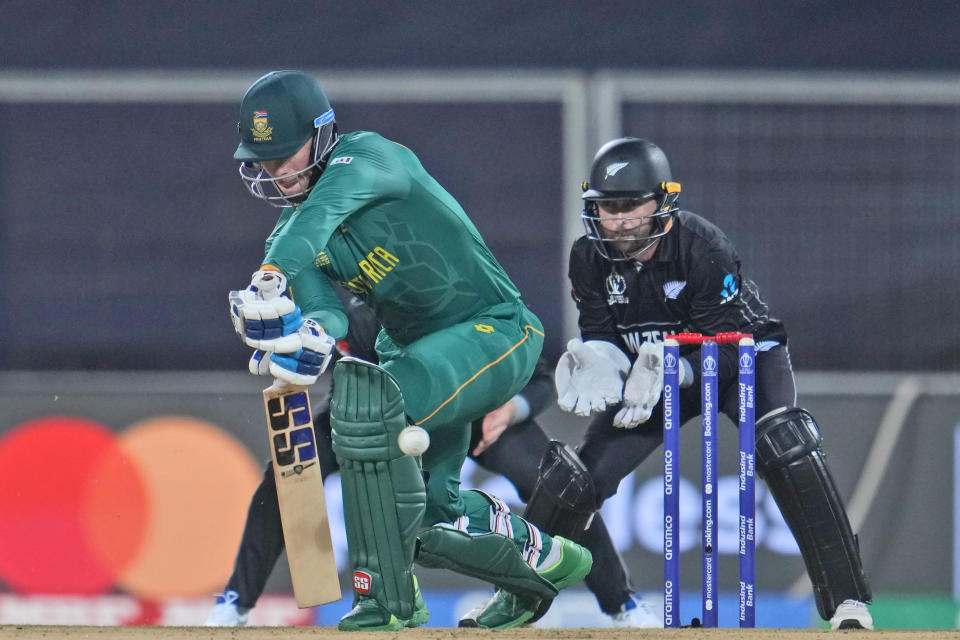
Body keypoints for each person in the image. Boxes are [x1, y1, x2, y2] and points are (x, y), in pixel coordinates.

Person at [223, 70, 592, 631]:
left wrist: (268, 277)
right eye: (264, 161)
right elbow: (325, 311)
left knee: (366, 411)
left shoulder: (369, 158)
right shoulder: (290, 238)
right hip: (419, 355)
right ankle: (548, 560)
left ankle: (384, 605)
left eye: (284, 155)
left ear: (322, 135)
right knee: (426, 522)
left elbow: (318, 218)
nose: (275, 172)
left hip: (494, 329)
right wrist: (306, 342)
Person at [467, 137, 874, 631]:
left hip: (739, 357)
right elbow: (603, 335)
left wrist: (675, 370)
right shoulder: (588, 257)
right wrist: (601, 360)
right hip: (647, 376)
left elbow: (726, 350)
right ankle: (516, 602)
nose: (618, 221)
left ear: (662, 201)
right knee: (575, 479)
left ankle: (848, 603)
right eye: (607, 207)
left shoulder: (704, 247)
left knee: (785, 445)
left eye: (630, 206)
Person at [207, 288, 660, 628]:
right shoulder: (363, 319)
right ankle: (235, 602)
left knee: (566, 487)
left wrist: (509, 409)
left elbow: (538, 378)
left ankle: (622, 603)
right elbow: (345, 378)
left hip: (481, 410)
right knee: (291, 472)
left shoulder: (476, 303)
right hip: (384, 415)